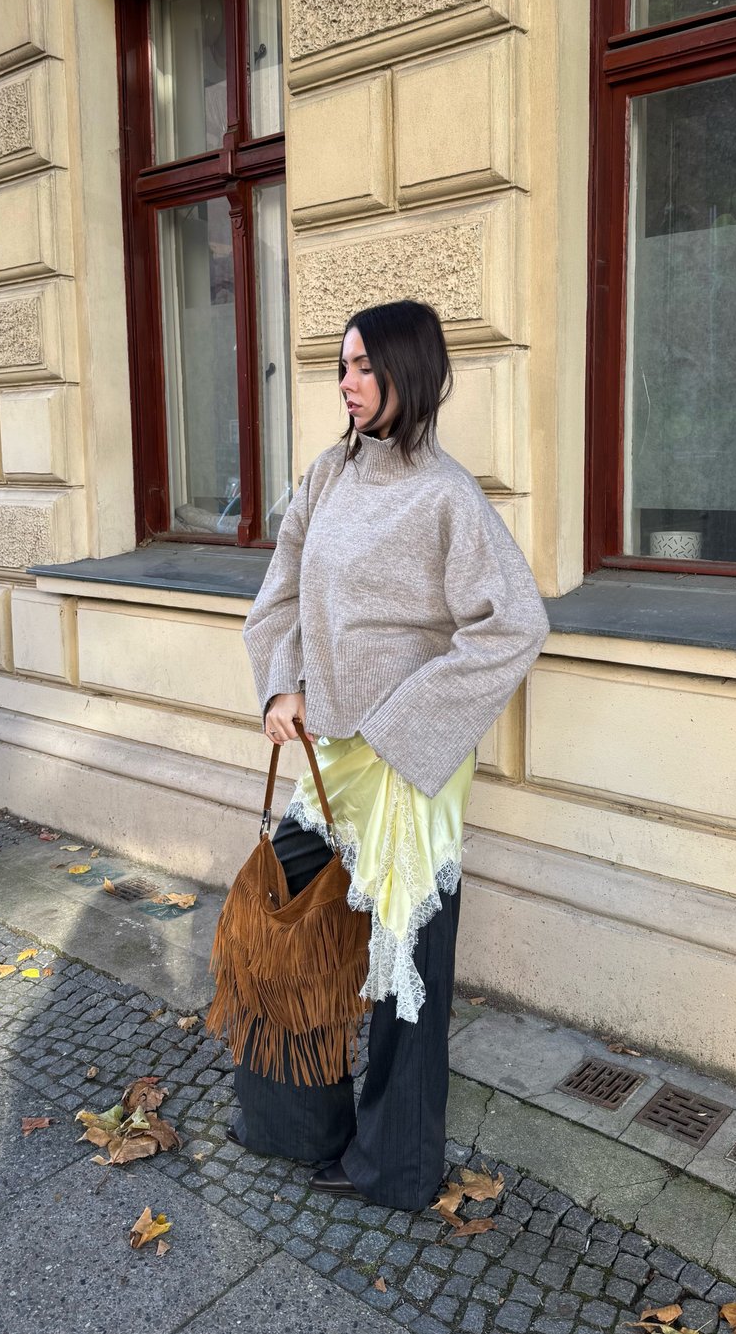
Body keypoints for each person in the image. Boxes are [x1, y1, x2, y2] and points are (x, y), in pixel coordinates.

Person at [232, 299, 549, 1210]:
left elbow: (514, 626)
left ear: (411, 370)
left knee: (408, 969)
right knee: (283, 925)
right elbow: (278, 595)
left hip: (407, 765)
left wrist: (399, 727)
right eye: (343, 366)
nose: (349, 381)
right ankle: (293, 1124)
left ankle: (394, 1169)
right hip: (329, 762)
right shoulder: (328, 474)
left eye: (366, 365)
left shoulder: (448, 494)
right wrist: (281, 685)